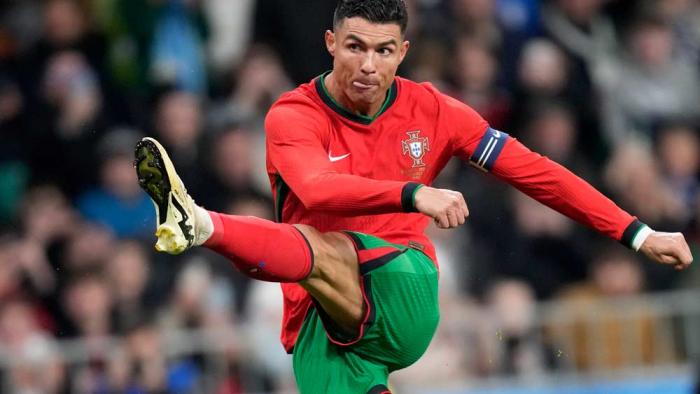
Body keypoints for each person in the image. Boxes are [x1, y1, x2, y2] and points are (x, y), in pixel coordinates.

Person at [133, 1, 693, 392]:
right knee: (316, 251)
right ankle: (199, 225)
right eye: (354, 47)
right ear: (331, 44)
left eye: (382, 50)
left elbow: (539, 174)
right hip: (317, 320)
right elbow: (314, 186)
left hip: (404, 287)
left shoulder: (437, 111)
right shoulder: (292, 114)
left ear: (403, 51)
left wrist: (636, 232)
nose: (367, 65)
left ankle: (199, 225)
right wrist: (412, 193)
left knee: (318, 243)